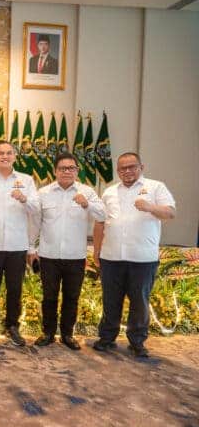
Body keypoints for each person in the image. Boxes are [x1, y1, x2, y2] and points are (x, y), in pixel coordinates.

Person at [92, 152, 176, 357]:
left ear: (141, 167)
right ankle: (107, 338)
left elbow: (170, 212)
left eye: (132, 167)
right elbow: (100, 222)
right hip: (111, 257)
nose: (127, 171)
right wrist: (97, 250)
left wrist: (150, 207)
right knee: (111, 300)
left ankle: (137, 342)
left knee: (139, 302)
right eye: (123, 168)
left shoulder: (156, 187)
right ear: (118, 171)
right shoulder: (109, 192)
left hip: (143, 258)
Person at [28, 152, 105, 350]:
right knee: (49, 297)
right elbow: (35, 222)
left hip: (75, 256)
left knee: (72, 297)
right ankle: (48, 333)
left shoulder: (87, 192)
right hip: (48, 255)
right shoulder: (43, 193)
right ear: (55, 171)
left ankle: (67, 334)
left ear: (77, 171)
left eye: (71, 168)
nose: (67, 172)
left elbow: (103, 215)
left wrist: (87, 204)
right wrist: (31, 248)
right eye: (63, 168)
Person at [0, 141, 39, 346]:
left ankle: (12, 326)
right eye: (1, 153)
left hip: (17, 245)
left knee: (15, 289)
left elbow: (36, 209)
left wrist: (24, 199)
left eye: (9, 153)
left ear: (14, 156)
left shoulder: (26, 180)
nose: (5, 156)